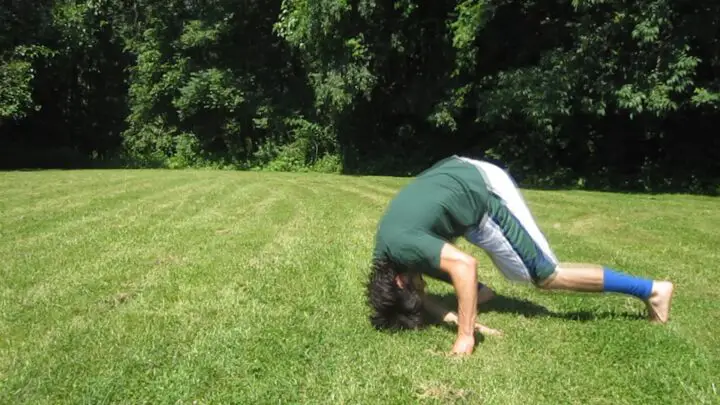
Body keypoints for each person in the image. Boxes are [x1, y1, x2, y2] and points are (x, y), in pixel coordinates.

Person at [366, 155, 674, 355]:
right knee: (471, 285)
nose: (424, 290)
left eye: (417, 291)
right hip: (458, 174)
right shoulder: (387, 256)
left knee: (545, 275)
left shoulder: (407, 248)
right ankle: (477, 296)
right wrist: (461, 317)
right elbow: (422, 296)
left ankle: (652, 290)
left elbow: (466, 266)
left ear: (400, 281)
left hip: (481, 191)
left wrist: (465, 335)